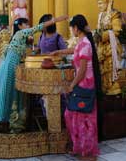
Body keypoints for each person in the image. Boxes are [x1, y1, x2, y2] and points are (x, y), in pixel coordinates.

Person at [0, 15, 68, 123]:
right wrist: (56, 20)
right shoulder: (20, 33)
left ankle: (12, 119)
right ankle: (4, 119)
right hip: (10, 67)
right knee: (9, 92)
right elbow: (38, 28)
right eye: (26, 24)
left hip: (10, 67)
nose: (28, 26)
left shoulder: (21, 39)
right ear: (20, 26)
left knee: (13, 92)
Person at [51, 15, 102, 158]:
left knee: (84, 118)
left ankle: (86, 150)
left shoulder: (86, 44)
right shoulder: (82, 41)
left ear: (76, 28)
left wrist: (72, 85)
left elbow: (83, 70)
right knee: (73, 115)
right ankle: (78, 147)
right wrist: (59, 51)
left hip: (85, 84)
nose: (71, 31)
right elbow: (75, 49)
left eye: (72, 28)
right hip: (81, 83)